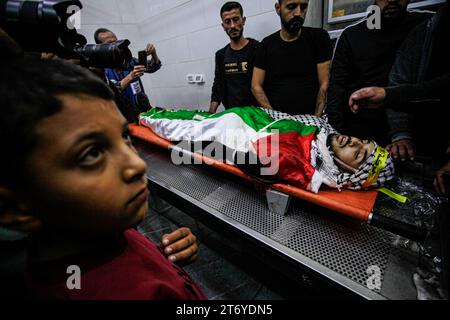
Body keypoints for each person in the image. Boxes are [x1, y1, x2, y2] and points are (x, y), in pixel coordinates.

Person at [0, 57, 206, 300]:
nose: (137, 165)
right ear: (17, 206)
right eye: (92, 153)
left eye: (124, 137)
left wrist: (162, 257)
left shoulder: (100, 231)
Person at [139, 106, 394, 192]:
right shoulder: (324, 134)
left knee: (174, 125)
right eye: (362, 141)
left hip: (235, 127)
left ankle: (144, 115)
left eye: (359, 154)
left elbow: (245, 158)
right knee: (194, 116)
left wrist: (203, 149)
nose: (354, 142)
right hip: (252, 116)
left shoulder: (300, 164)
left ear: (351, 174)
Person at [348, 2, 449, 194]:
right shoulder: (426, 30)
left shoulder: (421, 20)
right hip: (409, 148)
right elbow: (401, 82)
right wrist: (401, 133)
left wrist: (387, 95)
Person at [326, 0, 432, 155]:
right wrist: (334, 136)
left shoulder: (426, 27)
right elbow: (336, 88)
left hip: (418, 132)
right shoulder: (353, 34)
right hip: (363, 135)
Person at [252, 0, 333, 116]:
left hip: (310, 122)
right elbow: (255, 86)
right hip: (276, 123)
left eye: (304, 7)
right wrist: (276, 118)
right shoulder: (266, 45)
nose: (298, 13)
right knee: (274, 135)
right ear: (278, 8)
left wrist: (316, 120)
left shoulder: (319, 38)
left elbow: (324, 85)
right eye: (291, 7)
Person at [94, 28, 162, 114]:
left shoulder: (128, 61)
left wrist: (154, 54)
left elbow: (153, 67)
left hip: (143, 110)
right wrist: (130, 77)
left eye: (116, 41)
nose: (115, 45)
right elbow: (109, 91)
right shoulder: (99, 69)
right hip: (122, 116)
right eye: (110, 43)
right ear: (100, 47)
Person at [209, 1, 260, 113]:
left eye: (236, 19)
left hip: (256, 115)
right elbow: (217, 85)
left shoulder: (257, 49)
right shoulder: (221, 55)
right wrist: (210, 114)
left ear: (243, 20)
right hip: (232, 115)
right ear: (223, 26)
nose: (232, 26)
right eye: (227, 22)